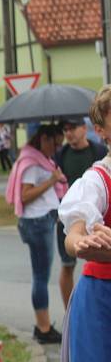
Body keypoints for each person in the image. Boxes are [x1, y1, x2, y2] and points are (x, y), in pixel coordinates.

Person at [57, 89, 111, 362]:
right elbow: (75, 231)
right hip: (101, 306)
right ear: (101, 129)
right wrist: (83, 242)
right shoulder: (98, 178)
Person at [6, 125, 67, 344]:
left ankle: (43, 324)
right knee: (41, 277)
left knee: (40, 275)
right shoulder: (32, 163)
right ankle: (43, 327)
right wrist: (51, 180)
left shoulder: (40, 159)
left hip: (42, 221)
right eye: (56, 143)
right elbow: (26, 195)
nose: (57, 148)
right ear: (44, 138)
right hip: (38, 223)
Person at [53, 118, 108, 309]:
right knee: (68, 264)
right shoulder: (62, 154)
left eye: (72, 128)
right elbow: (75, 235)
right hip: (74, 213)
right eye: (65, 129)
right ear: (100, 130)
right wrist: (77, 239)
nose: (68, 133)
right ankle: (69, 308)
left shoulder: (97, 151)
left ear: (85, 129)